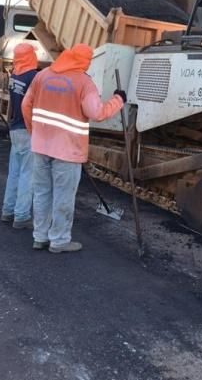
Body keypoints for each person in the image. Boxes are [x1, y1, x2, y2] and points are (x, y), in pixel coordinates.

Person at [22, 44, 125, 253]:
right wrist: (118, 100)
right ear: (84, 61)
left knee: (42, 193)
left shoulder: (43, 75)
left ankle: (39, 237)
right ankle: (59, 241)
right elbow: (97, 113)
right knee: (63, 196)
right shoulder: (84, 82)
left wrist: (34, 133)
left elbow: (26, 104)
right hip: (67, 151)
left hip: (40, 146)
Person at [1, 44, 39, 228]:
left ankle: (8, 210)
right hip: (27, 129)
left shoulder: (15, 75)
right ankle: (22, 215)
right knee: (28, 174)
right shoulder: (33, 76)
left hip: (15, 128)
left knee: (14, 173)